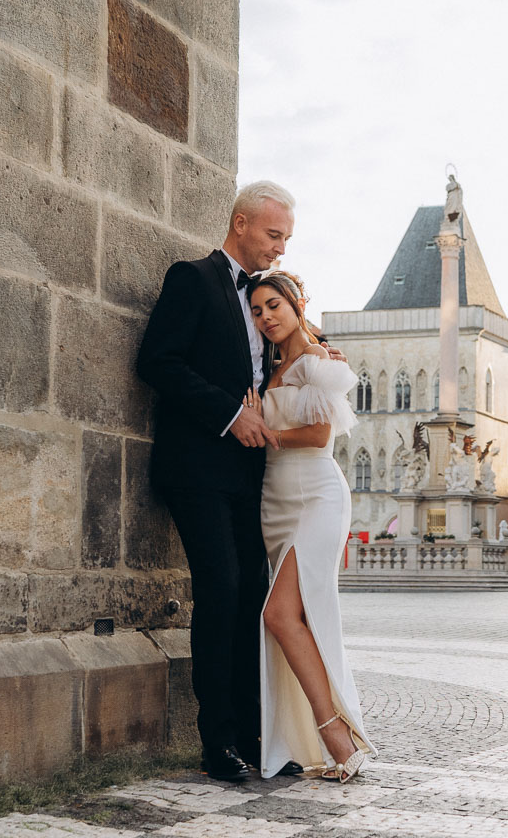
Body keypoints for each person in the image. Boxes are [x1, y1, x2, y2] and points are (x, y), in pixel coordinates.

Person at [136, 181, 318, 782]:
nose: (280, 249)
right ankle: (218, 744)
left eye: (286, 239)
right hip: (197, 470)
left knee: (253, 601)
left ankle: (255, 738)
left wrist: (322, 354)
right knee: (221, 592)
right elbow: (156, 361)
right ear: (241, 223)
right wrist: (227, 412)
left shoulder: (265, 297)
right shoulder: (191, 278)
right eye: (273, 235)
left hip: (250, 477)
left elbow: (285, 348)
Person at [247, 270, 375, 781]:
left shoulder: (319, 360)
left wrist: (266, 432)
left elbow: (321, 434)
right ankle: (311, 741)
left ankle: (337, 737)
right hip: (275, 499)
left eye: (274, 305)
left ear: (298, 303)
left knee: (280, 615)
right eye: (257, 311)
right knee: (286, 618)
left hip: (316, 494)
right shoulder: (267, 366)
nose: (266, 317)